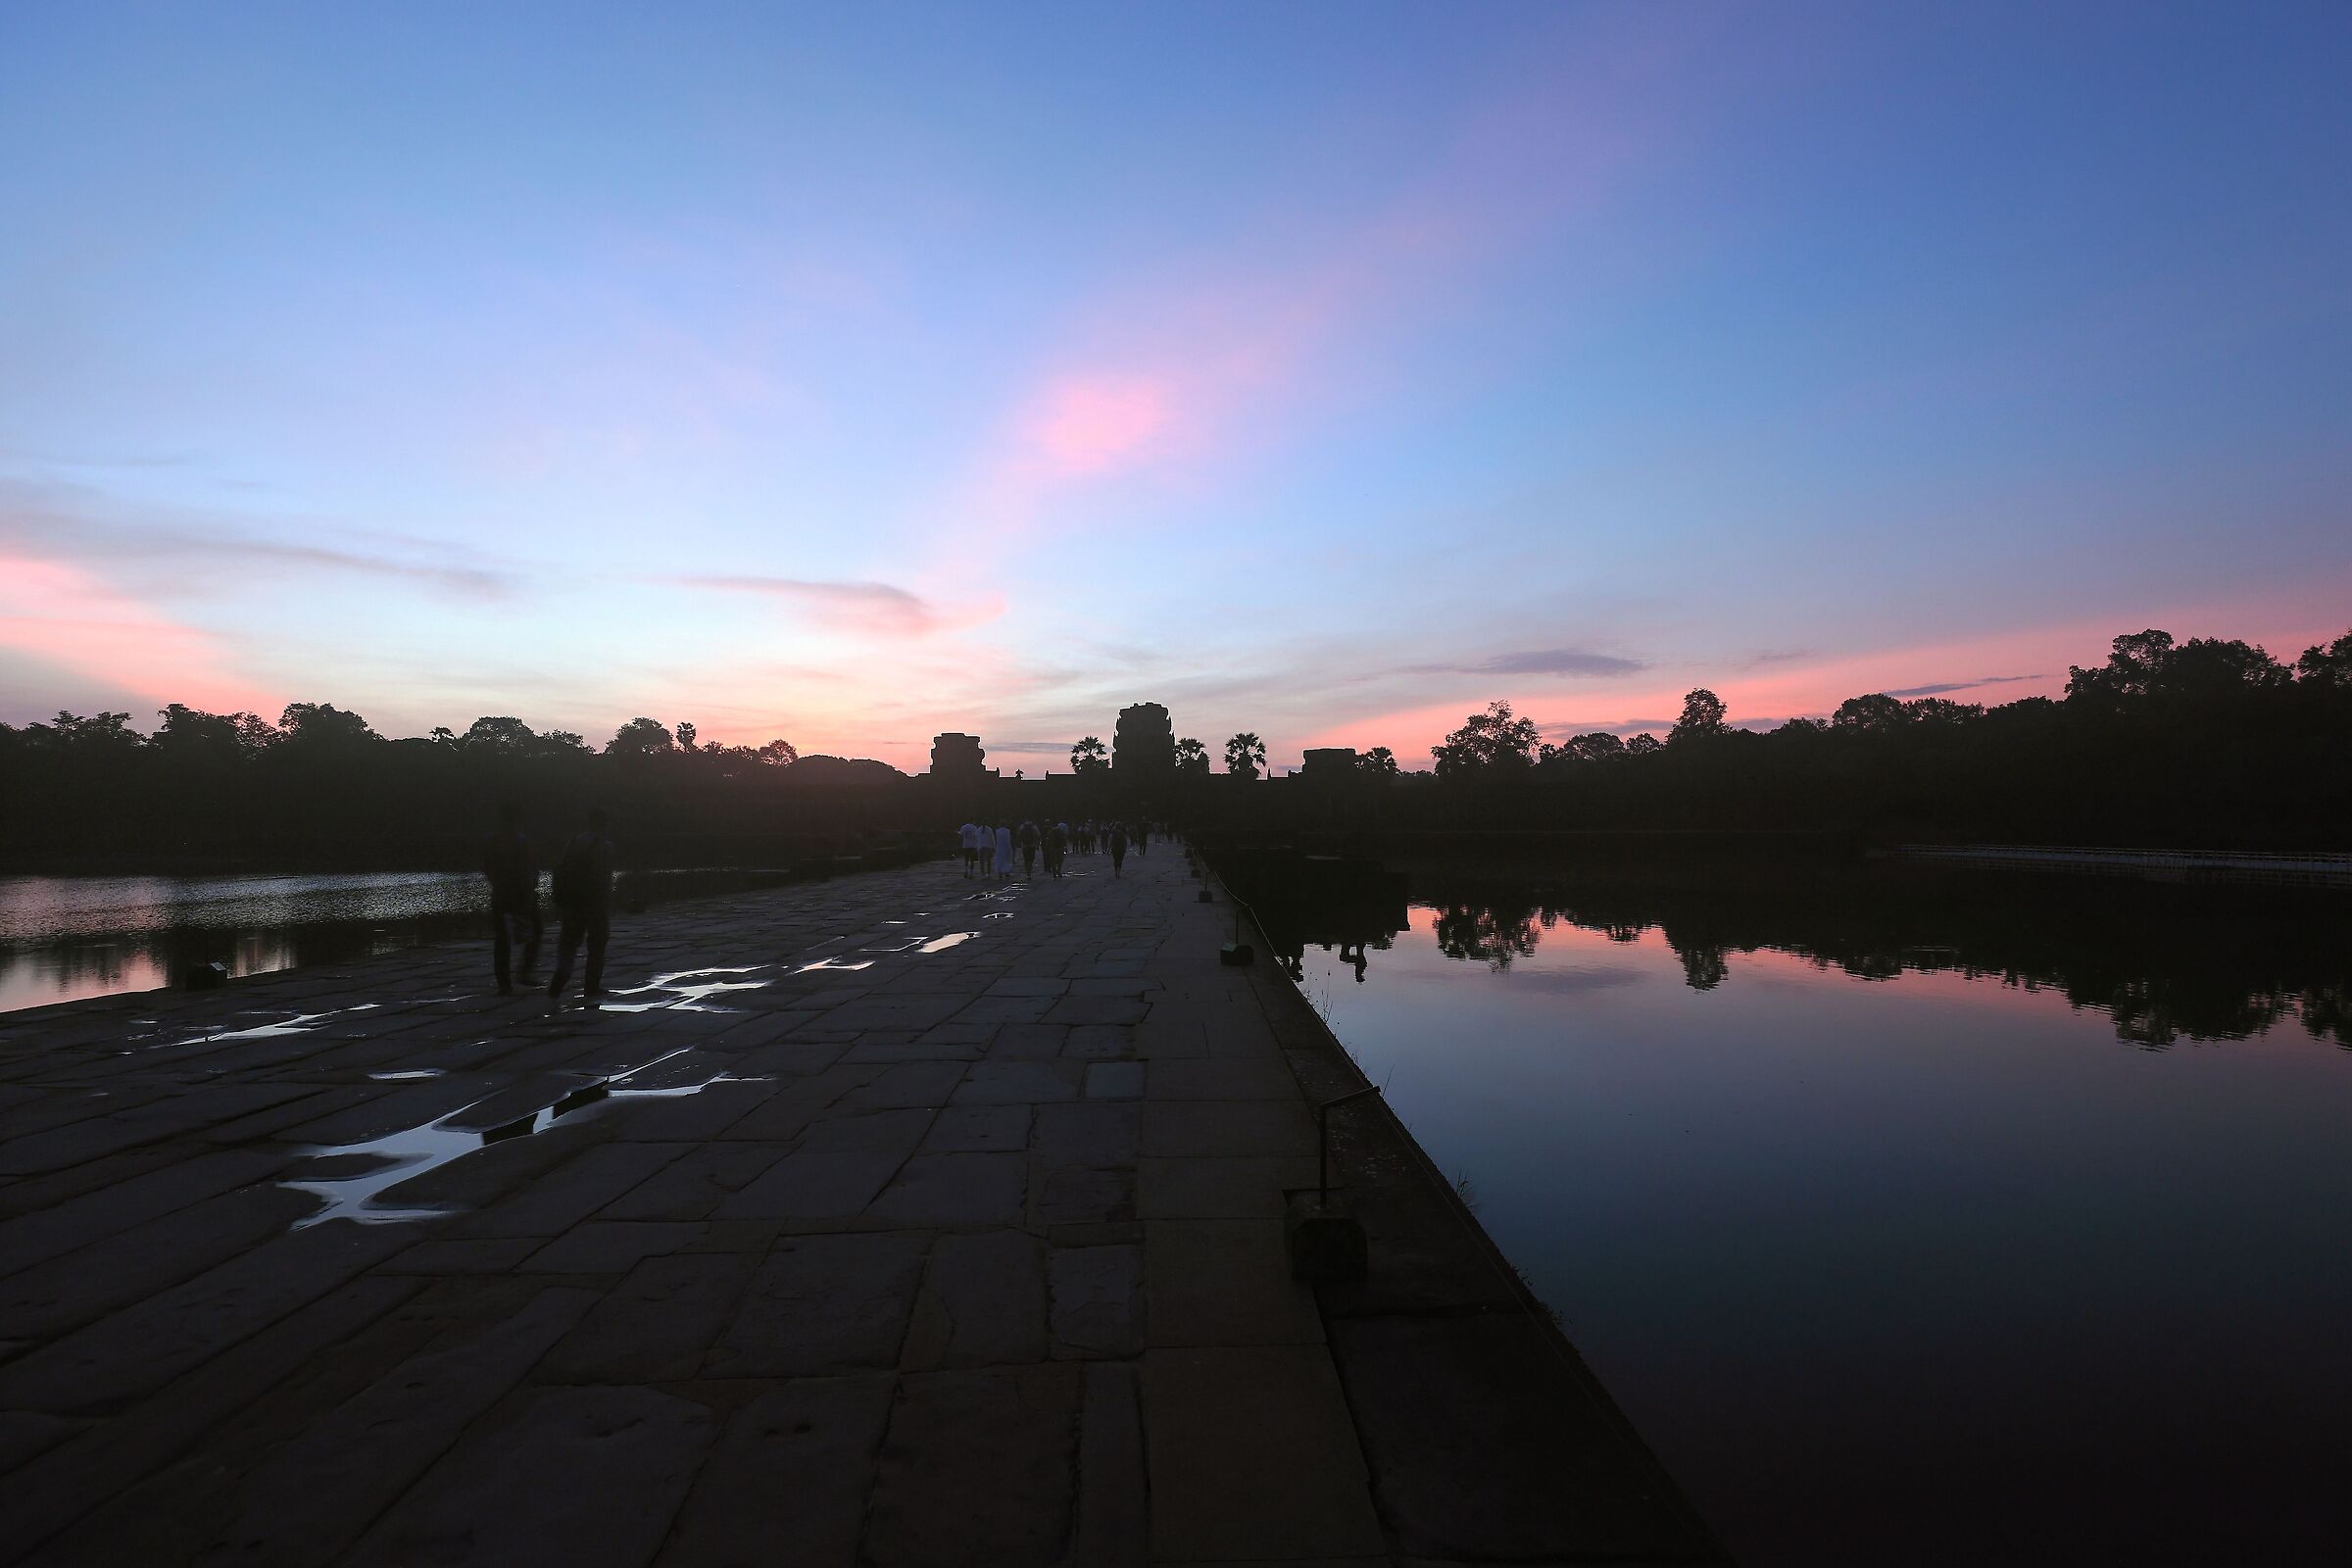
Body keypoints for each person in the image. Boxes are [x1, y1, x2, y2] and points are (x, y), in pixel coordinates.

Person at [546, 808, 615, 1008]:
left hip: (572, 902)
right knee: (597, 945)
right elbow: (603, 876)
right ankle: (591, 986)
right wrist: (606, 900)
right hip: (594, 903)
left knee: (569, 943)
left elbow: (559, 869)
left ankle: (560, 978)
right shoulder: (605, 846)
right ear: (604, 824)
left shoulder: (573, 843)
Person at [482, 801, 539, 995]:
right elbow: (528, 866)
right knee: (535, 930)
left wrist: (497, 882)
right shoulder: (521, 840)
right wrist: (530, 886)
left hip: (500, 892)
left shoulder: (492, 840)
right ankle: (524, 972)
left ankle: (504, 982)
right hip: (520, 893)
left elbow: (487, 866)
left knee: (502, 939)